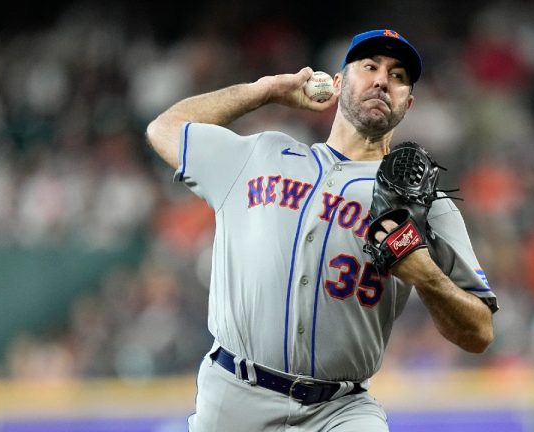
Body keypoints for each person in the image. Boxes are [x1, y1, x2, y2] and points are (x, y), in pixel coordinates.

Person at [145, 28, 498, 432]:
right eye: (369, 67)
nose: (383, 80)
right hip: (233, 397)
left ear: (408, 102)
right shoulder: (262, 154)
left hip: (340, 411)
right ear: (337, 82)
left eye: (399, 76)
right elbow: (164, 129)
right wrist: (263, 91)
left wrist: (427, 277)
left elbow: (479, 332)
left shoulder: (423, 204)